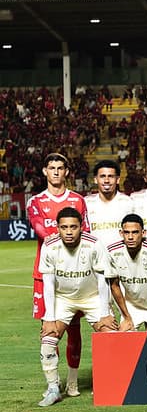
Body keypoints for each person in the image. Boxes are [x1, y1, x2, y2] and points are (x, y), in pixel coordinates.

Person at [37, 207, 117, 407]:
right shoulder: (50, 246)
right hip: (63, 298)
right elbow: (48, 283)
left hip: (92, 297)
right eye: (64, 227)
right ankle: (53, 388)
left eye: (73, 227)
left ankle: (110, 384)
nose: (69, 231)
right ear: (57, 228)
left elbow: (102, 281)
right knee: (48, 339)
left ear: (81, 227)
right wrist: (49, 316)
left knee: (109, 335)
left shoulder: (94, 244)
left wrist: (105, 313)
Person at [26, 153, 90, 399]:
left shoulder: (78, 200)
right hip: (46, 274)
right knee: (49, 328)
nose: (55, 172)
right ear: (45, 171)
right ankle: (53, 383)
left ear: (66, 172)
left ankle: (72, 383)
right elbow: (40, 229)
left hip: (75, 274)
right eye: (51, 167)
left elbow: (87, 232)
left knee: (74, 329)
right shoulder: (36, 201)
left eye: (60, 168)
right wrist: (54, 235)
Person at [106, 213, 147, 331]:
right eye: (127, 232)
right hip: (132, 306)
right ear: (121, 233)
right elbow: (114, 285)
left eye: (135, 232)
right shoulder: (112, 252)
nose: (130, 237)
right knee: (123, 339)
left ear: (143, 233)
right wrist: (126, 317)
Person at [85, 160, 135, 248]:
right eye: (102, 176)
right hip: (95, 257)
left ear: (118, 179)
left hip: (121, 257)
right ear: (95, 179)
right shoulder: (86, 203)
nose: (106, 180)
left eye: (111, 176)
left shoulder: (128, 203)